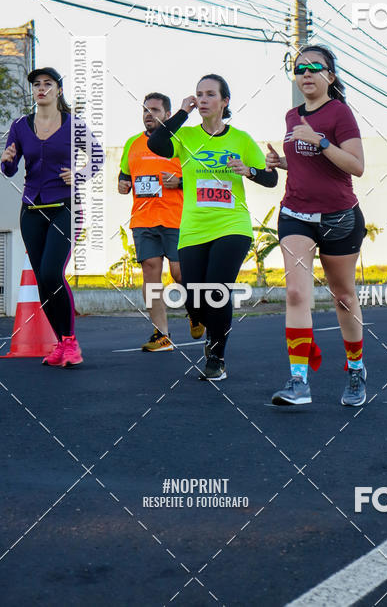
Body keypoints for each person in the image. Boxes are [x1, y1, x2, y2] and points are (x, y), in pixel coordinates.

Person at [148, 74, 277, 380]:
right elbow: (156, 143)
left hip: (232, 225)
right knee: (194, 294)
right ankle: (202, 320)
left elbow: (271, 179)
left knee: (217, 290)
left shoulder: (241, 140)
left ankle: (216, 357)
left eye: (209, 94)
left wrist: (250, 170)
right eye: (198, 94)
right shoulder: (187, 137)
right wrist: (181, 113)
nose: (203, 99)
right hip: (193, 227)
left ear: (225, 101)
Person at [266, 45, 367, 408]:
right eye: (299, 68)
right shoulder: (292, 116)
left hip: (339, 216)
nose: (306, 74)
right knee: (296, 293)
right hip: (295, 213)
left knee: (343, 296)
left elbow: (355, 166)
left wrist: (321, 141)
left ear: (330, 76)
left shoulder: (340, 113)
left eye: (314, 68)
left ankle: (355, 368)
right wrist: (281, 163)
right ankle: (299, 381)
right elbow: (309, 167)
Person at [0, 67, 103, 367]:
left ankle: (70, 343)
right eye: (36, 85)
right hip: (31, 209)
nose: (41, 89)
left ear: (58, 90)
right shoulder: (20, 126)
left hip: (65, 208)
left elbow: (97, 155)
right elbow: (10, 167)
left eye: (47, 84)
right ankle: (60, 343)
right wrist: (5, 162)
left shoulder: (74, 125)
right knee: (44, 284)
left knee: (50, 273)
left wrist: (79, 173)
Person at [119, 93, 184, 352]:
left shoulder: (180, 142)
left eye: (155, 110)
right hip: (144, 218)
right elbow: (124, 177)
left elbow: (200, 178)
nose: (149, 114)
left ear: (167, 115)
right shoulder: (132, 144)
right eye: (146, 109)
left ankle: (197, 312)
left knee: (180, 273)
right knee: (151, 272)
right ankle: (162, 335)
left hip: (176, 218)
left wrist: (180, 183)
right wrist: (123, 184)